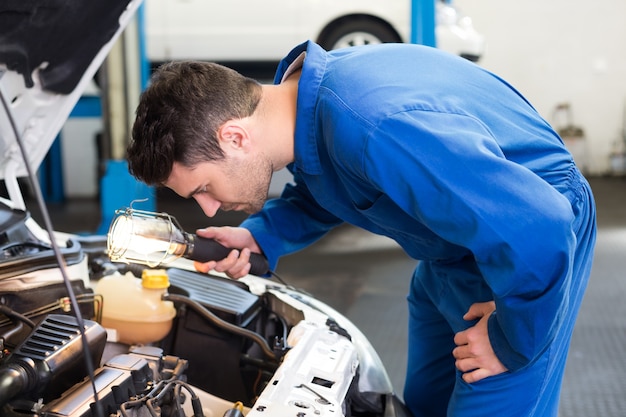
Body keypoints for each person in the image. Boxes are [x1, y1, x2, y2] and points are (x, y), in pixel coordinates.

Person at [126, 40, 596, 417]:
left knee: (491, 388)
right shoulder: (300, 112)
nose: (208, 211)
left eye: (203, 187)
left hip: (525, 250)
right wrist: (262, 234)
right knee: (426, 405)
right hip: (452, 252)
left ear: (234, 136)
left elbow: (539, 227)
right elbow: (337, 183)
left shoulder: (377, 127)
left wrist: (509, 342)